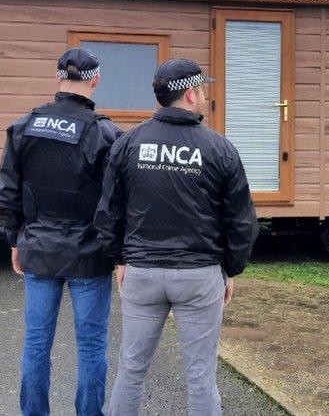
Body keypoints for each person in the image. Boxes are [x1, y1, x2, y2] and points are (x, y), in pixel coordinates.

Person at [95, 57, 258, 416]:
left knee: (131, 369)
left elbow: (109, 211)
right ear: (189, 94)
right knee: (201, 376)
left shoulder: (128, 143)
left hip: (142, 273)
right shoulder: (219, 148)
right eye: (201, 91)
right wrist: (229, 269)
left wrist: (120, 258)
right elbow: (241, 220)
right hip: (199, 276)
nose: (203, 98)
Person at [0, 48, 122, 416]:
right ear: (95, 80)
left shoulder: (23, 127)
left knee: (36, 344)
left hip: (38, 248)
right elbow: (116, 203)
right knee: (92, 346)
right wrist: (117, 254)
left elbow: (7, 191)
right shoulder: (106, 134)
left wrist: (13, 238)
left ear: (57, 78)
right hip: (88, 254)